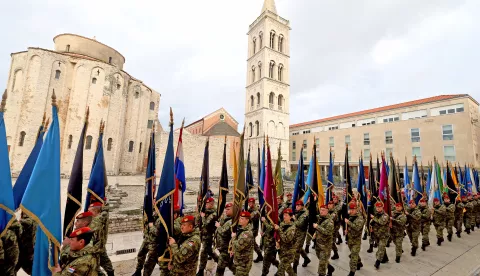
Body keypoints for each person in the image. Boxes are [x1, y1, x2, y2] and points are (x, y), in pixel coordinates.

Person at [89, 201, 114, 276]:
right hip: (100, 248)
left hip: (96, 249)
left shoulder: (96, 221)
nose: (88, 212)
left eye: (89, 211)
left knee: (97, 268)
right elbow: (105, 212)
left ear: (95, 211)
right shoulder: (102, 217)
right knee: (106, 265)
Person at [198, 197, 218, 276]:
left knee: (204, 252)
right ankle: (220, 261)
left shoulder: (214, 214)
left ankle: (201, 270)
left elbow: (206, 223)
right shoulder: (206, 211)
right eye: (205, 203)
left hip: (209, 236)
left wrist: (203, 217)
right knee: (209, 251)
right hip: (204, 235)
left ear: (212, 204)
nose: (206, 205)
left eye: (208, 204)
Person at [313, 204, 335, 276]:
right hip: (319, 244)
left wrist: (317, 227)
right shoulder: (320, 218)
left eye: (323, 210)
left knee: (322, 264)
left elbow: (327, 232)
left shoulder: (330, 221)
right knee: (322, 259)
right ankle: (330, 267)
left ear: (327, 211)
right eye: (321, 210)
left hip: (326, 246)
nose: (321, 211)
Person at [274, 208, 297, 276]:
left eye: (286, 215)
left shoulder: (292, 228)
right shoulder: (282, 224)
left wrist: (279, 230)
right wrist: (277, 241)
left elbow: (287, 240)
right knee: (288, 268)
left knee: (281, 270)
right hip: (282, 250)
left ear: (290, 217)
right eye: (284, 215)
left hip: (289, 252)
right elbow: (278, 235)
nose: (284, 216)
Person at [215, 203, 235, 276]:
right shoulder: (226, 218)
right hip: (222, 247)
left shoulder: (232, 221)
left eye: (228, 209)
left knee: (220, 268)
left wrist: (218, 226)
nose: (226, 211)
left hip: (226, 249)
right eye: (225, 210)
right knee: (229, 264)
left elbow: (223, 232)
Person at [231, 211, 254, 276]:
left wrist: (233, 237)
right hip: (240, 261)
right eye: (240, 218)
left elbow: (238, 246)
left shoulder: (247, 233)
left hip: (244, 263)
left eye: (242, 219)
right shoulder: (241, 229)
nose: (239, 220)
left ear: (247, 220)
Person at [345, 201, 364, 276]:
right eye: (351, 209)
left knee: (353, 256)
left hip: (356, 241)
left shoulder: (360, 218)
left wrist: (348, 222)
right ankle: (359, 263)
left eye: (353, 210)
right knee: (355, 254)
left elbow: (357, 228)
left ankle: (352, 272)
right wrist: (347, 230)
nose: (352, 211)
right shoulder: (350, 216)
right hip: (350, 239)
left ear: (357, 209)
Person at [292, 200, 310, 272]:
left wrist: (294, 218)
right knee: (298, 247)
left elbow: (300, 224)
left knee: (296, 250)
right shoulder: (298, 212)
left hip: (301, 234)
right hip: (296, 233)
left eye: (299, 205)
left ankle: (294, 268)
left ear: (302, 206)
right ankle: (306, 259)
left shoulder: (305, 214)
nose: (297, 206)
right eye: (296, 205)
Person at [371, 201, 389, 269]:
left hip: (383, 235)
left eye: (379, 207)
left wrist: (373, 218)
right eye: (377, 207)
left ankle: (377, 262)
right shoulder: (376, 214)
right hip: (377, 235)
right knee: (381, 248)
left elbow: (381, 222)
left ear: (382, 207)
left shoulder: (385, 215)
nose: (378, 208)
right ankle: (385, 258)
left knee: (381, 248)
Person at [247, 198, 263, 263]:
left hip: (253, 230)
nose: (250, 204)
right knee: (253, 244)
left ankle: (260, 255)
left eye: (251, 203)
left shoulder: (256, 211)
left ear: (254, 203)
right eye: (249, 203)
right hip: (249, 229)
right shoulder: (249, 209)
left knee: (252, 244)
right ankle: (260, 255)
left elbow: (249, 218)